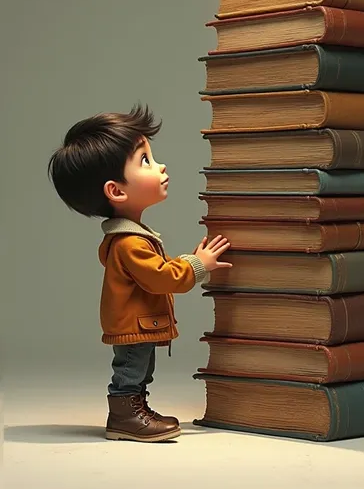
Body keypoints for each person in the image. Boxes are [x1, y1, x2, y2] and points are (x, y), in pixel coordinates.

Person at [48, 103, 231, 443]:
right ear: (116, 190)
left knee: (139, 370)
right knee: (131, 371)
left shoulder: (133, 237)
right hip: (134, 328)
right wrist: (198, 264)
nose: (160, 166)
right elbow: (160, 276)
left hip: (140, 325)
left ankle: (135, 410)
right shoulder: (130, 243)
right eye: (145, 160)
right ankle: (126, 415)